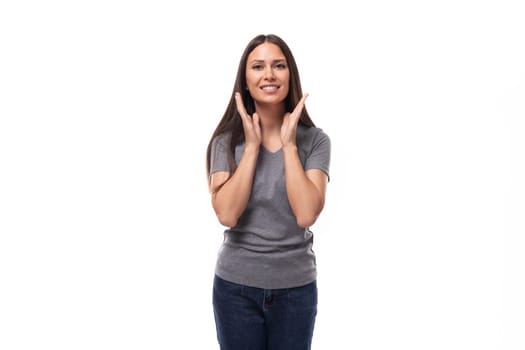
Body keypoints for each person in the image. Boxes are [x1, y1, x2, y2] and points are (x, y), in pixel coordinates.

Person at [205, 34, 331, 350]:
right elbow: (227, 214)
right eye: (258, 66)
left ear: (291, 76)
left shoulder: (315, 141)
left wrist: (289, 146)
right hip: (235, 289)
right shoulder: (225, 142)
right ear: (245, 81)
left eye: (279, 66)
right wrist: (252, 148)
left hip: (296, 290)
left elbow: (306, 214)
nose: (269, 75)